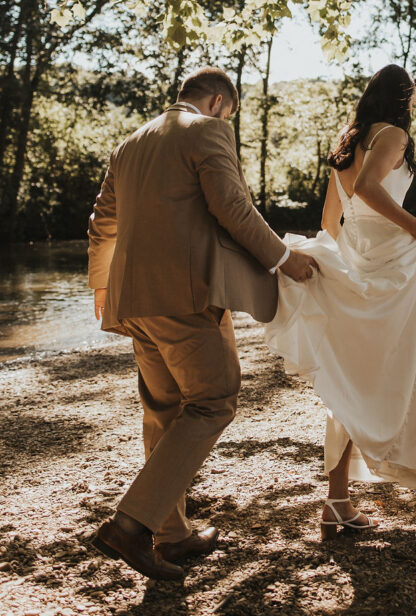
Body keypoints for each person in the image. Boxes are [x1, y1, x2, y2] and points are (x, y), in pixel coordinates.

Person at [87, 66, 317, 580]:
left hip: (133, 301)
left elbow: (103, 222)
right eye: (229, 113)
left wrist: (104, 291)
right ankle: (129, 526)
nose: (227, 120)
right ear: (217, 103)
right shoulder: (209, 130)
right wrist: (284, 259)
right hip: (184, 297)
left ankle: (172, 536)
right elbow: (231, 205)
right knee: (214, 398)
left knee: (165, 408)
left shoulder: (130, 142)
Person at [264, 64, 416, 539]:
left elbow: (330, 219)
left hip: (363, 263)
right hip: (396, 269)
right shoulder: (394, 135)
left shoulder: (351, 140)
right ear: (404, 98)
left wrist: (344, 268)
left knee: (354, 383)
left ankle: (341, 500)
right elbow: (368, 190)